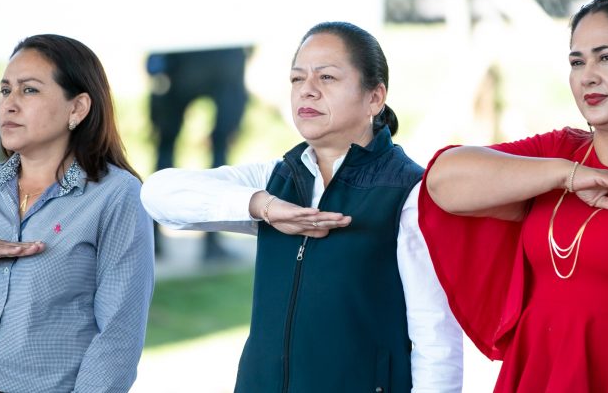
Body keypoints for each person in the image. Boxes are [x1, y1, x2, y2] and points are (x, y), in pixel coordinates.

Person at [141, 21, 463, 392]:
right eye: (297, 79)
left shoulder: (408, 193)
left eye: (326, 78)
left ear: (375, 97)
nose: (306, 91)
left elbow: (436, 338)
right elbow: (157, 193)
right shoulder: (277, 179)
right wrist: (262, 205)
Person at [420, 0, 608, 392]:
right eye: (576, 61)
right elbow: (442, 180)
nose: (588, 75)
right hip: (540, 371)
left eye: (607, 57)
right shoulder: (558, 152)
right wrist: (565, 174)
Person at [0, 34, 155, 393]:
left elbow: (118, 333)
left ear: (78, 108)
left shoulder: (116, 195)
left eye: (29, 90)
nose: (9, 105)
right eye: (5, 91)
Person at [146, 47, 250, 261]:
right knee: (219, 152)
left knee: (166, 148)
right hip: (223, 57)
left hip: (178, 57)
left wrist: (155, 66)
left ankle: (152, 240)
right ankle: (212, 245)